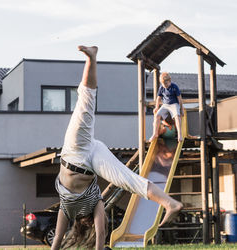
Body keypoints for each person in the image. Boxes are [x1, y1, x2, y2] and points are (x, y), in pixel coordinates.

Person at [51, 46, 183, 250]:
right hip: (92, 162)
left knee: (84, 105)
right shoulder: (95, 203)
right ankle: (170, 203)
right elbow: (102, 233)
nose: (91, 223)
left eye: (87, 224)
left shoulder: (68, 209)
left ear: (79, 224)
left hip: (75, 153)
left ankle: (91, 57)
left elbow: (58, 237)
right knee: (129, 180)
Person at [150, 72, 184, 142]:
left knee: (177, 116)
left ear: (170, 81)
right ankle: (155, 133)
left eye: (166, 83)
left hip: (174, 104)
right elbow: (158, 98)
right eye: (163, 84)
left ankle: (180, 134)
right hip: (165, 105)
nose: (165, 85)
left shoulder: (174, 87)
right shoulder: (162, 88)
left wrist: (181, 109)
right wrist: (156, 107)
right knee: (157, 115)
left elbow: (179, 99)